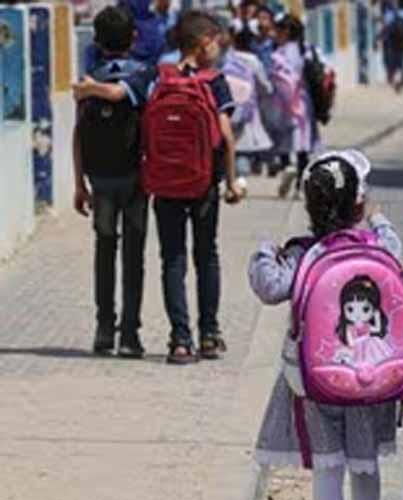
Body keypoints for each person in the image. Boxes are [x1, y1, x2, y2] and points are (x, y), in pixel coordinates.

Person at [250, 150, 401, 500]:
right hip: (369, 376)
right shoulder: (375, 247)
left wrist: (264, 249)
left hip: (316, 380)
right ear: (358, 204)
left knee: (327, 466)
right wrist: (379, 220)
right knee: (365, 463)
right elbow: (395, 248)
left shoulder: (304, 254)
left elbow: (269, 286)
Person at [73, 10, 243, 364]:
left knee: (172, 259)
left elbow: (122, 106)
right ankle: (208, 335)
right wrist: (231, 183)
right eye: (216, 41)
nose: (219, 47)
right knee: (206, 256)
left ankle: (178, 340)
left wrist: (87, 88)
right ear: (203, 43)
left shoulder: (157, 76)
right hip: (202, 183)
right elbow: (226, 135)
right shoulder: (213, 81)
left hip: (162, 183)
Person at [72, 6, 149, 358]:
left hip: (100, 179)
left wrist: (79, 183)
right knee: (134, 257)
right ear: (134, 37)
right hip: (136, 179)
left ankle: (104, 327)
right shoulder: (145, 76)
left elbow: (78, 134)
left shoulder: (88, 81)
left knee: (104, 253)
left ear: (97, 41)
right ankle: (129, 334)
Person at [271, 14, 321, 198]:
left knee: (283, 140)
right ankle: (301, 185)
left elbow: (278, 81)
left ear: (285, 32)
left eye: (277, 31)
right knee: (303, 146)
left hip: (284, 103)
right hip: (304, 103)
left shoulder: (278, 55)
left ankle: (287, 166)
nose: (274, 34)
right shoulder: (307, 50)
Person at [226, 20, 275, 192]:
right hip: (247, 115)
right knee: (243, 151)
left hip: (226, 112)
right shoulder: (253, 61)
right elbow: (264, 86)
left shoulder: (226, 58)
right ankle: (240, 179)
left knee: (228, 146)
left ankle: (232, 178)